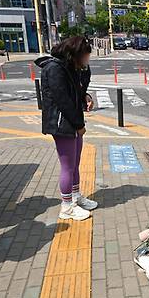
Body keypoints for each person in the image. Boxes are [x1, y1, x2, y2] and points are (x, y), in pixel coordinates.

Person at [36, 36, 97, 220]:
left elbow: (76, 90)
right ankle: (66, 206)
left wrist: (84, 96)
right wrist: (79, 125)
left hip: (71, 121)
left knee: (75, 163)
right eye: (85, 56)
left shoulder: (69, 67)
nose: (87, 60)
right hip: (62, 123)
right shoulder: (55, 68)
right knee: (67, 166)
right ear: (75, 54)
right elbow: (62, 100)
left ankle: (76, 196)